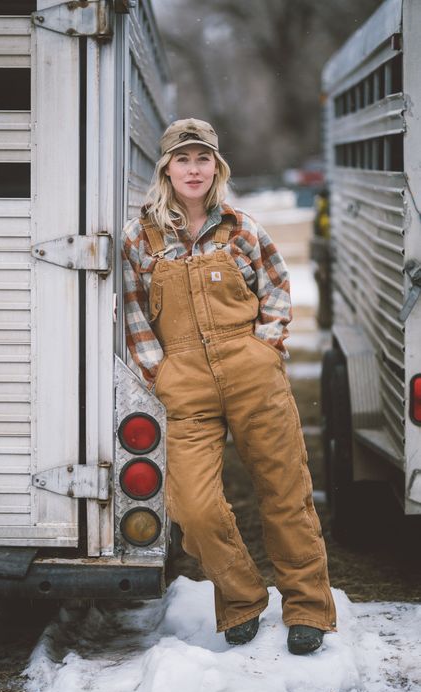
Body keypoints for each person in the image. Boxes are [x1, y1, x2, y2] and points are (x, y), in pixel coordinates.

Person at [121, 118, 337, 654]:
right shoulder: (139, 237)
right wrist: (162, 372)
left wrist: (265, 347)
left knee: (285, 494)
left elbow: (278, 287)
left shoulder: (242, 227)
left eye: (203, 159)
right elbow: (133, 317)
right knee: (193, 508)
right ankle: (241, 598)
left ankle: (308, 608)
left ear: (217, 167)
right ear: (166, 169)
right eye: (182, 159)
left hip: (252, 372)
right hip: (185, 385)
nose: (193, 169)